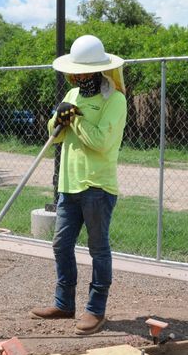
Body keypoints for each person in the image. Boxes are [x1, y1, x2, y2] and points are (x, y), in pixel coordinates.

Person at [30, 35, 127, 336]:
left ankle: (96, 311)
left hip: (98, 186)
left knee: (98, 249)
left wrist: (78, 120)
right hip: (68, 185)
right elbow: (55, 135)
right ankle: (64, 304)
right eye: (74, 72)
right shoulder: (72, 94)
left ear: (97, 71)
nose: (76, 77)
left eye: (81, 72)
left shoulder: (115, 100)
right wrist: (57, 119)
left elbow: (100, 141)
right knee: (61, 244)